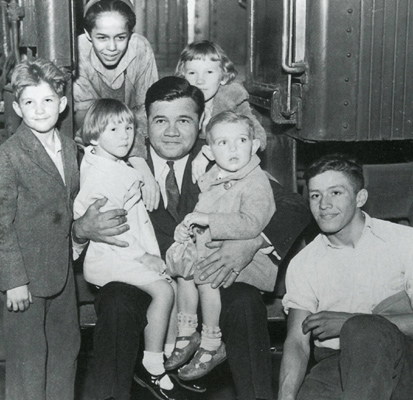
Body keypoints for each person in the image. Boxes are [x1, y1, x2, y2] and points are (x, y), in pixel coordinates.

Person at [72, 76, 311, 400]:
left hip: (208, 279)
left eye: (183, 120)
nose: (171, 131)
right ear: (145, 124)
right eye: (160, 121)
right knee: (117, 301)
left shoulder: (223, 155)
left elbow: (294, 204)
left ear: (200, 123)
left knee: (244, 301)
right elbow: (69, 217)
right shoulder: (113, 159)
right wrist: (81, 230)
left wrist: (255, 242)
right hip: (144, 279)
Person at [278, 154, 413, 400]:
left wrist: (349, 323)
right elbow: (297, 342)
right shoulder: (304, 263)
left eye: (336, 193)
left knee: (363, 329)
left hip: (402, 361)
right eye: (315, 195)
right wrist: (286, 397)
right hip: (334, 364)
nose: (324, 204)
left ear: (360, 198)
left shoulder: (404, 242)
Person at [73, 99, 177, 395]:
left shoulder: (109, 162)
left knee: (171, 286)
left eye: (128, 127)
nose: (124, 135)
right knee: (163, 290)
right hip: (113, 256)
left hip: (119, 253)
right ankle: (154, 361)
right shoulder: (101, 177)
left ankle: (169, 352)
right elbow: (114, 230)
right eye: (114, 129)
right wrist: (144, 256)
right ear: (94, 136)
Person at [164, 111, 276, 381]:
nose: (233, 148)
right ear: (210, 151)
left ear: (254, 145)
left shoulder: (256, 181)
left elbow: (251, 223)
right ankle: (188, 332)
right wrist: (187, 229)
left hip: (245, 263)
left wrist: (207, 220)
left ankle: (212, 342)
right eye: (223, 143)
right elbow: (201, 214)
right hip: (212, 251)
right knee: (184, 273)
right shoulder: (215, 175)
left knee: (203, 274)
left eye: (241, 140)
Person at [0, 59, 81, 400]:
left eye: (47, 100)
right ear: (17, 107)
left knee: (66, 351)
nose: (39, 109)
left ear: (62, 104)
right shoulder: (9, 154)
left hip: (61, 272)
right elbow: (1, 224)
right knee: (28, 362)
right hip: (26, 278)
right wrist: (13, 280)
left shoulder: (70, 147)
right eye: (29, 102)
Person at [73, 0, 159, 210]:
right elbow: (86, 120)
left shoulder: (140, 48)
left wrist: (140, 161)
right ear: (87, 33)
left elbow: (148, 110)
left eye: (121, 37)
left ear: (130, 34)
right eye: (101, 38)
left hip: (136, 136)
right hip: (94, 143)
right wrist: (139, 164)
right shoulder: (78, 49)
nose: (111, 48)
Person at [175, 40, 267, 181]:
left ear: (223, 77)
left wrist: (211, 151)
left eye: (209, 72)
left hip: (231, 165)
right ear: (183, 76)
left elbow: (259, 136)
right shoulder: (177, 100)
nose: (200, 81)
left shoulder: (233, 101)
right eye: (192, 73)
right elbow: (141, 124)